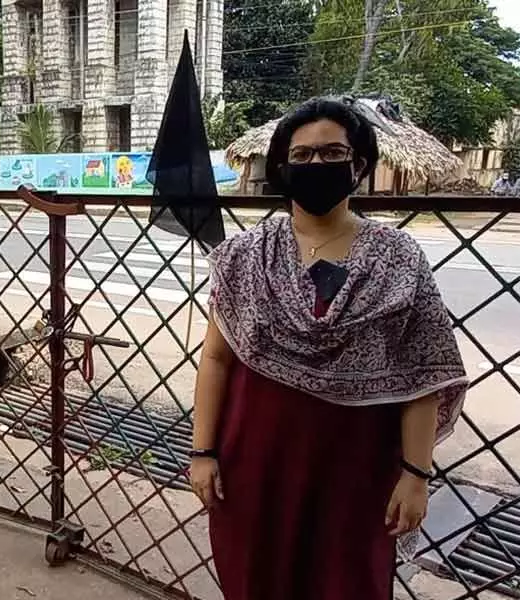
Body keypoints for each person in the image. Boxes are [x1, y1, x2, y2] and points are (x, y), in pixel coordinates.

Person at [189, 97, 469, 600]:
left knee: (348, 582)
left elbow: (423, 376)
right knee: (254, 578)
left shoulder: (399, 258)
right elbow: (215, 359)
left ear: (358, 165)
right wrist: (203, 452)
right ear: (281, 168)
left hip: (355, 470)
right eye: (301, 157)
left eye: (331, 153)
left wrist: (416, 475)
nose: (316, 165)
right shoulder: (245, 255)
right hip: (254, 461)